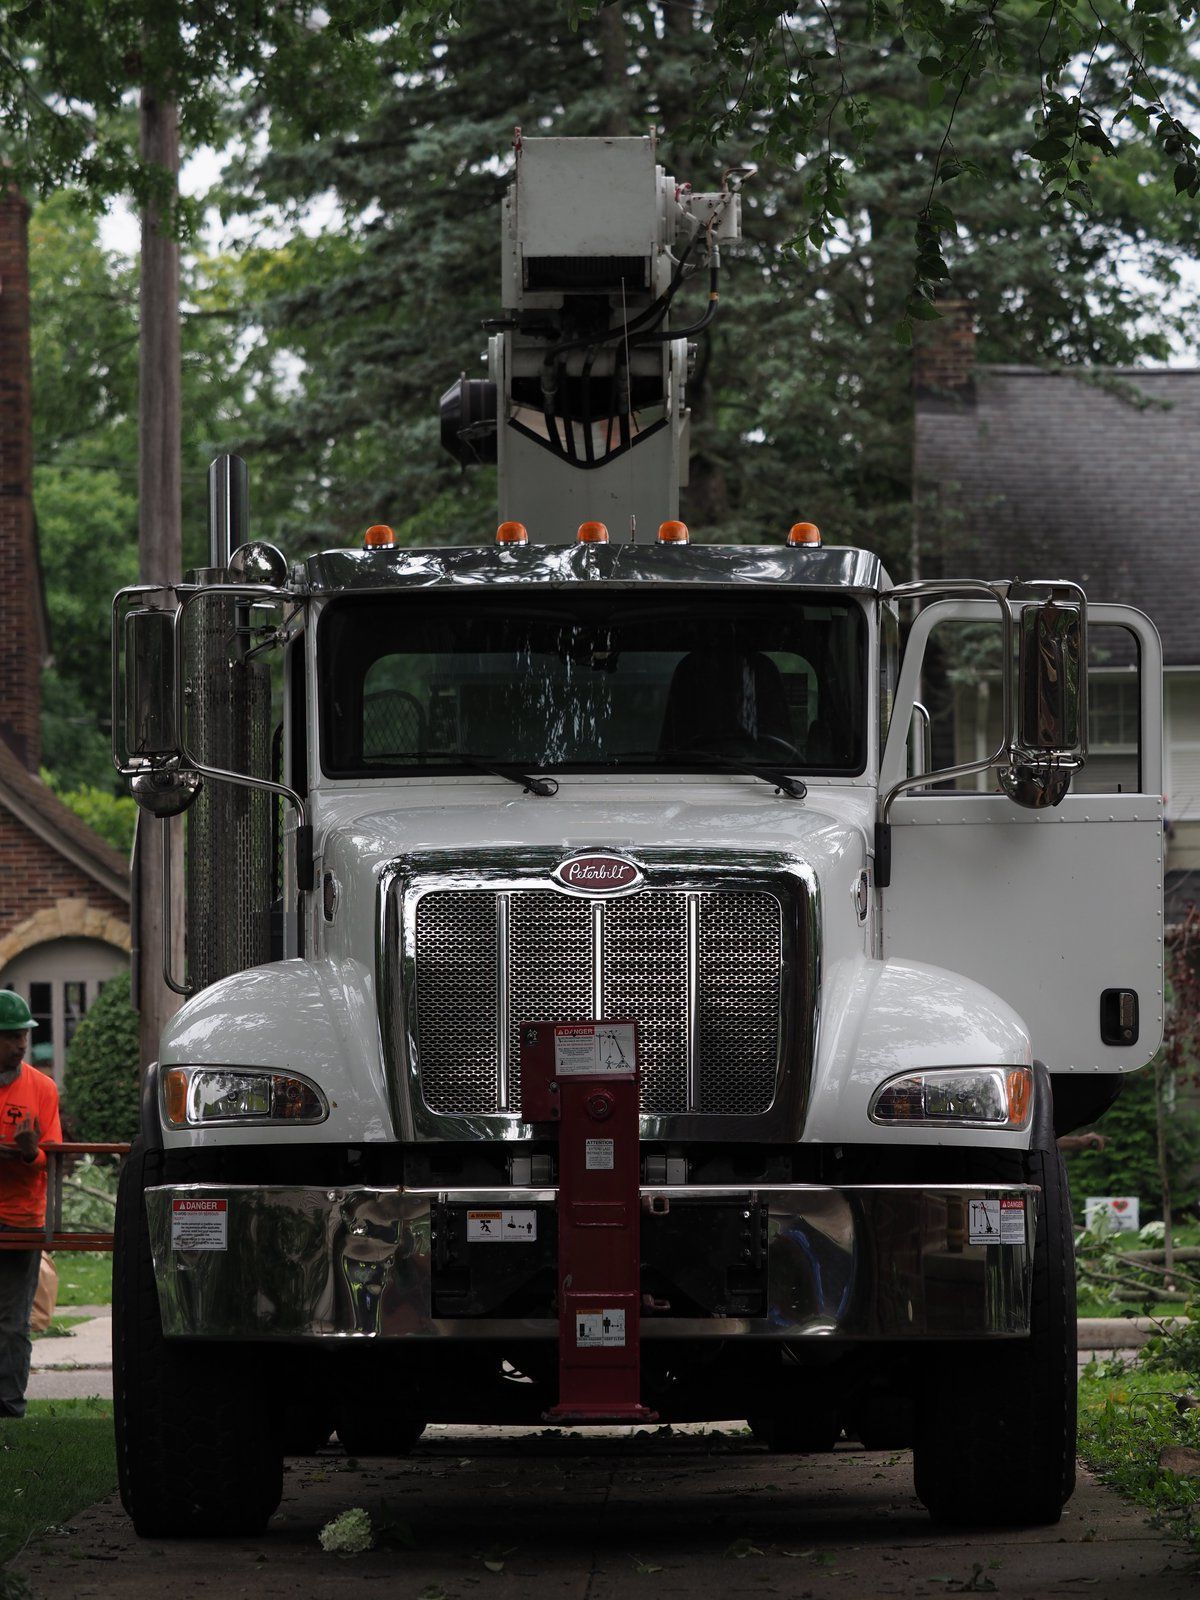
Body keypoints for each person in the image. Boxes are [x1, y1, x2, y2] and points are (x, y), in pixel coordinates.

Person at [0, 991, 61, 1419]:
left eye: (23, 1034)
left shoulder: (41, 1087)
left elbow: (52, 1158)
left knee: (11, 1324)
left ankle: (9, 1410)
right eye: (10, 1036)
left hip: (21, 1220)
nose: (21, 1044)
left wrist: (28, 1152)